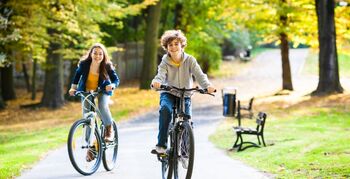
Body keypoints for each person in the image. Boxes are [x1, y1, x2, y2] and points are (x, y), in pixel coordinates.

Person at [151, 30, 216, 154]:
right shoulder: (165, 61)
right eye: (170, 45)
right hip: (169, 93)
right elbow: (160, 75)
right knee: (165, 110)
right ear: (167, 48)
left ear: (182, 45)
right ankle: (161, 145)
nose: (174, 47)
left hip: (185, 94)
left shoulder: (190, 60)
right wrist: (156, 82)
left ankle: (185, 153)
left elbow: (200, 75)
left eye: (176, 43)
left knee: (187, 120)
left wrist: (207, 86)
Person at [69, 43, 119, 160]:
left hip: (103, 90)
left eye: (100, 54)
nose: (97, 56)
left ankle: (108, 129)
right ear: (91, 54)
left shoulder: (107, 65)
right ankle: (91, 146)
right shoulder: (84, 64)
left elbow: (116, 80)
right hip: (86, 91)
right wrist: (73, 88)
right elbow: (77, 76)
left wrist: (112, 85)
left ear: (103, 55)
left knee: (102, 106)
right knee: (87, 117)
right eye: (95, 53)